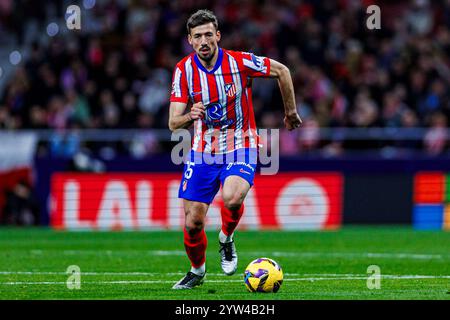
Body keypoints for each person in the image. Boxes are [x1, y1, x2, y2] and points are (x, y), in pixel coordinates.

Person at [168, 9, 302, 289]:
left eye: (208, 34)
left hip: (241, 143)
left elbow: (282, 71)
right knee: (193, 222)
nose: (203, 41)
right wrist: (189, 115)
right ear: (190, 41)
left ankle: (226, 238)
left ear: (217, 35)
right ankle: (197, 270)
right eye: (197, 36)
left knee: (232, 197)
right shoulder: (184, 70)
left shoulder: (239, 62)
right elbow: (173, 123)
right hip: (202, 150)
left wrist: (290, 112)